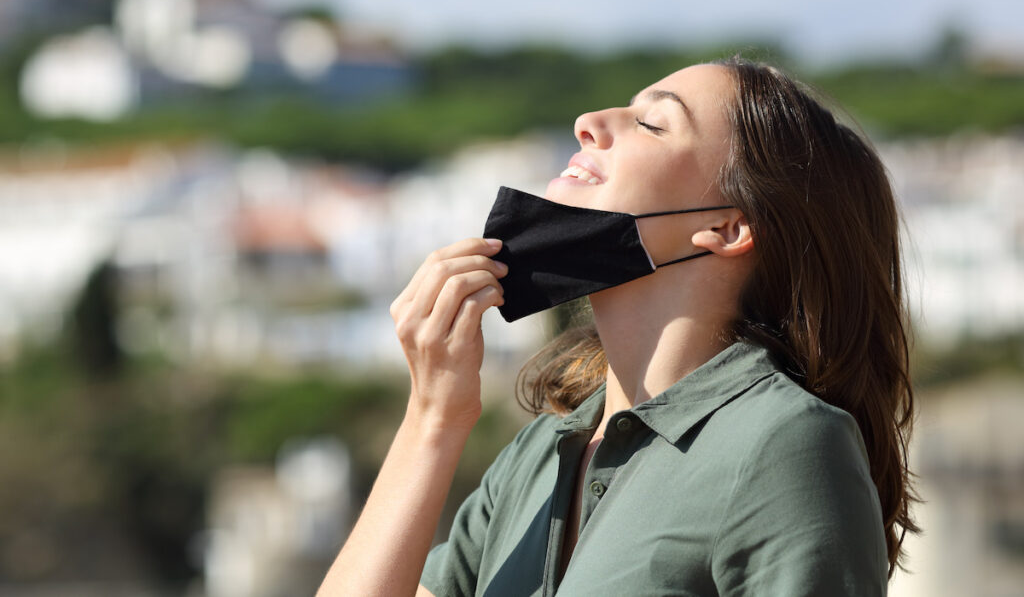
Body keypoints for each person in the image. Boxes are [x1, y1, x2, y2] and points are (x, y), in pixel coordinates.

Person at [316, 57, 917, 596]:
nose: (587, 123)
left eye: (652, 124)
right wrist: (434, 416)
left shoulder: (783, 444)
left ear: (727, 228)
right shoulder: (536, 457)